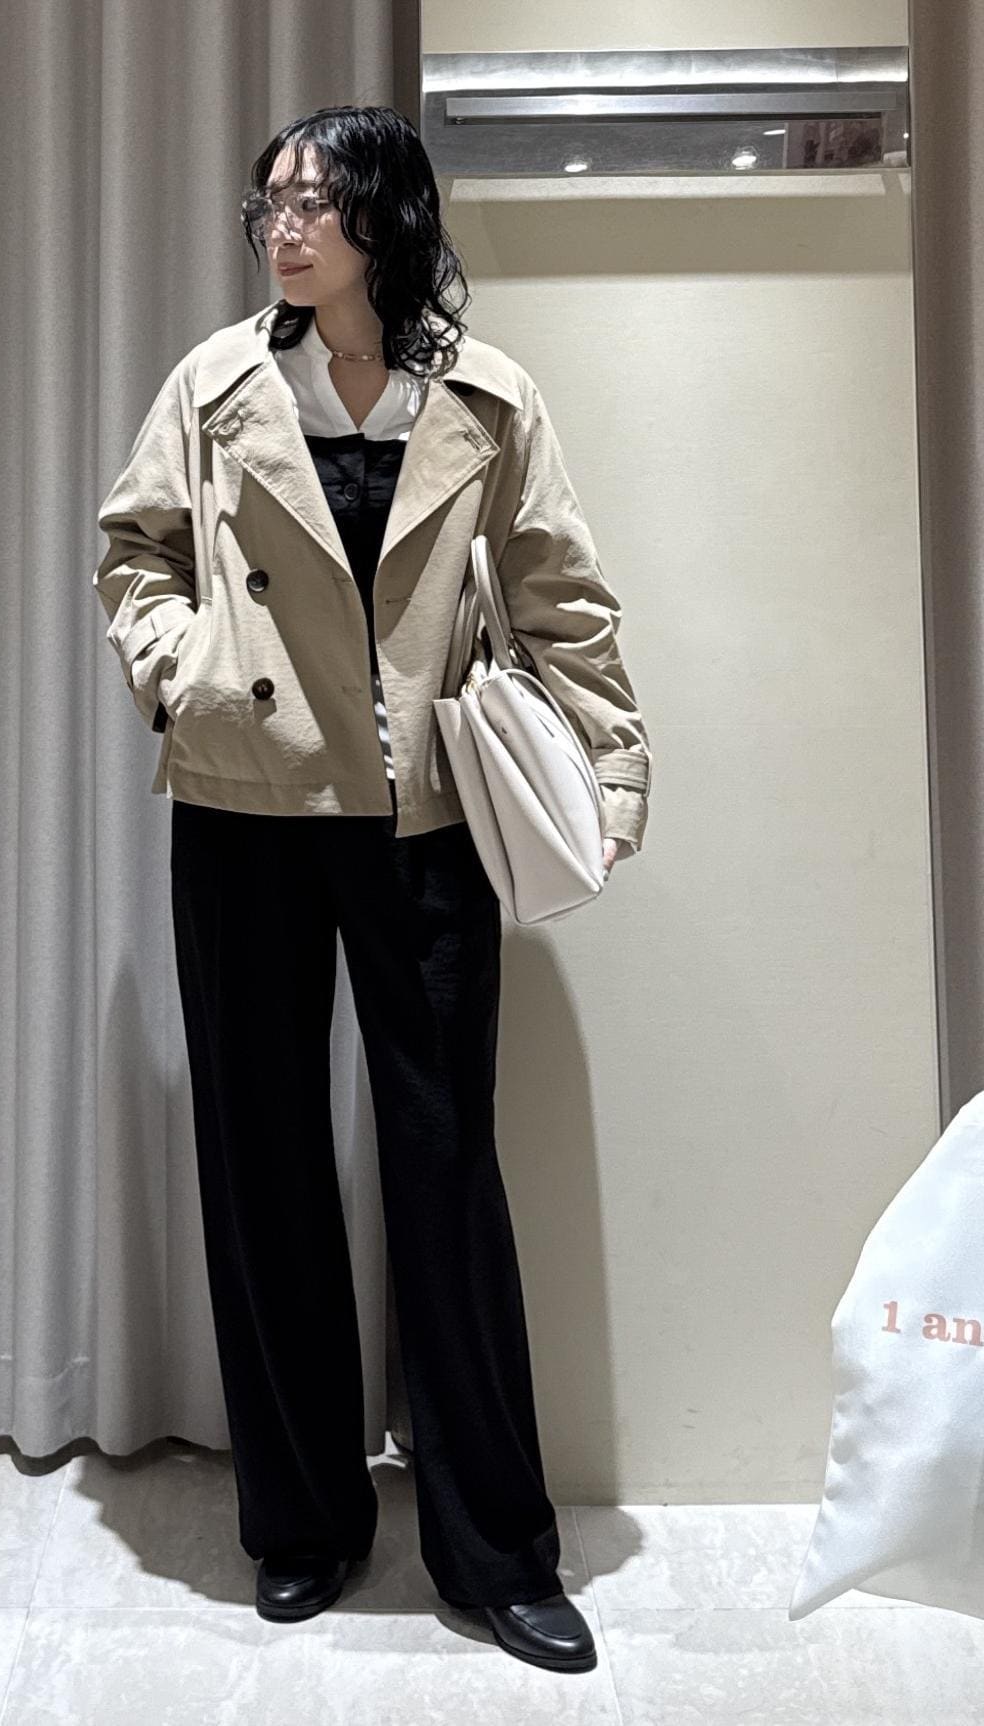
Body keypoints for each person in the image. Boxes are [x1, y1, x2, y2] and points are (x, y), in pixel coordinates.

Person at [93, 104, 652, 1675]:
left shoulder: (485, 394)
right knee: (262, 1156)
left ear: (386, 218)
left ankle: (496, 1547)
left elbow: (561, 594)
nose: (282, 227)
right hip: (248, 798)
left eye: (314, 201)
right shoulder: (214, 384)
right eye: (268, 203)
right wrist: (190, 672)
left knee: (446, 1168)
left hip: (424, 816)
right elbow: (134, 554)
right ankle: (304, 1520)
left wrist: (611, 773)